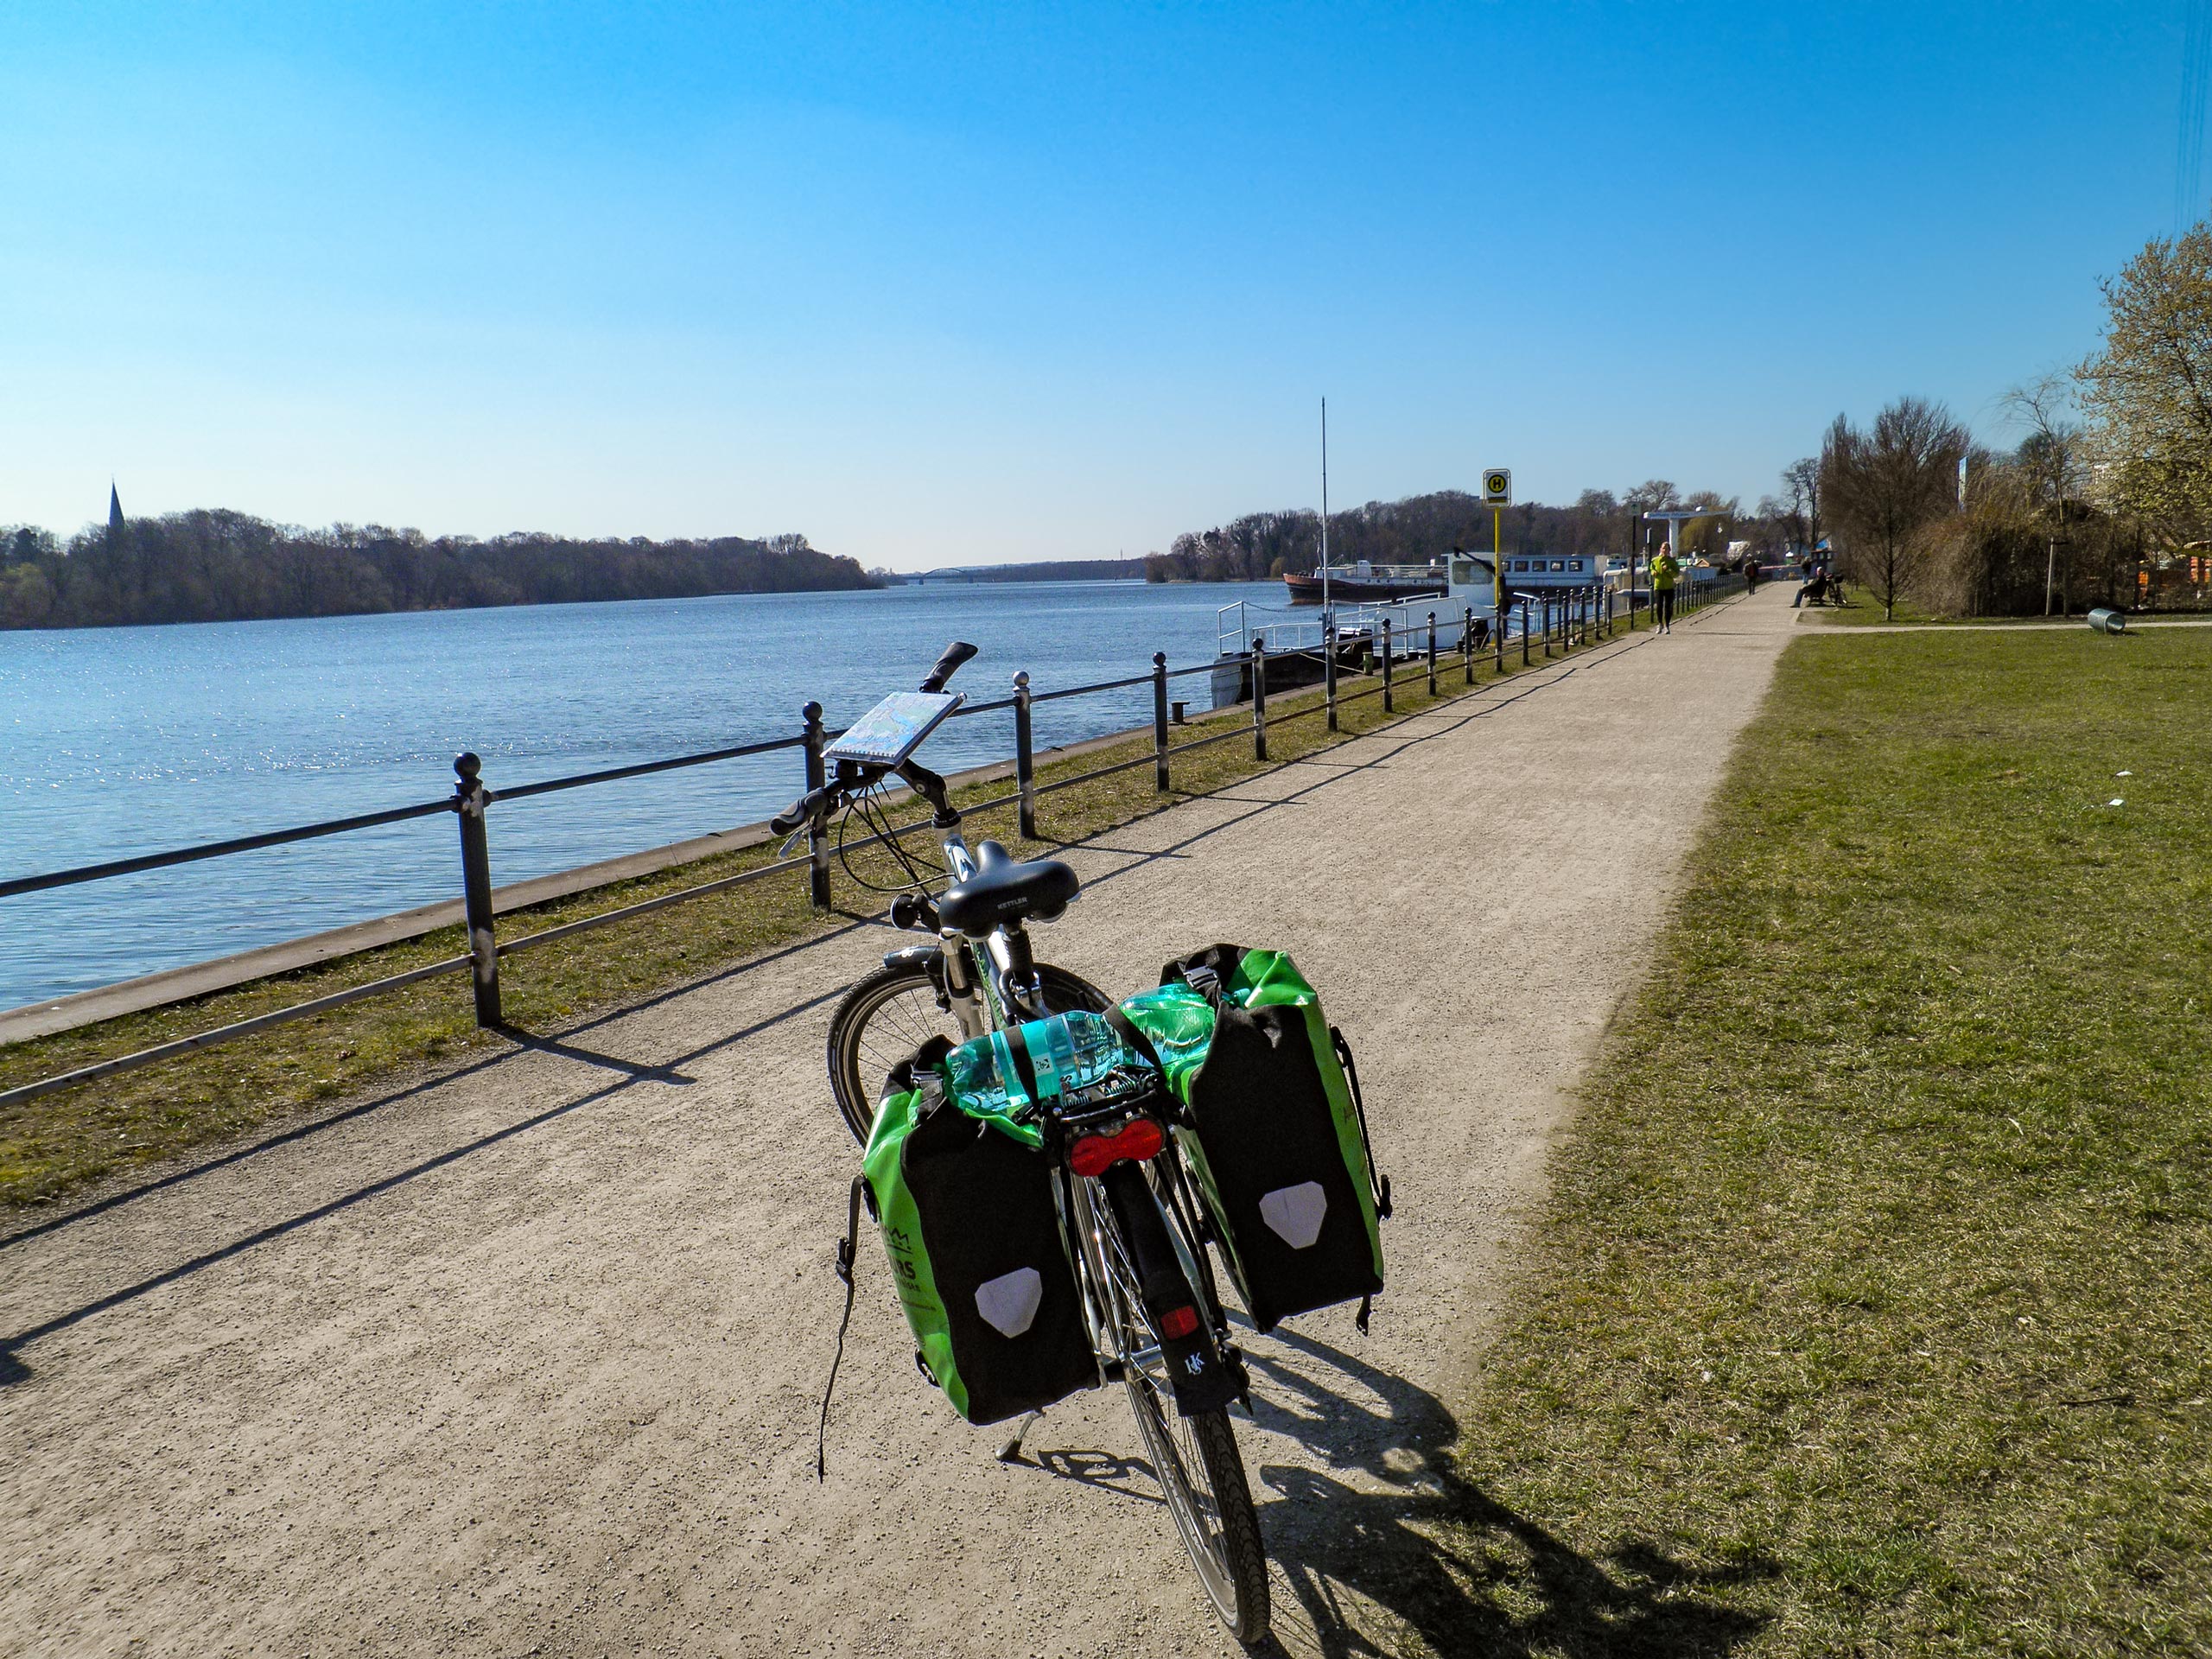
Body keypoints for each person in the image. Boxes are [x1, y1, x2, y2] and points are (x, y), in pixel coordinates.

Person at [1649, 541, 1681, 632]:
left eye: (1666, 549)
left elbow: (1676, 574)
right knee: (1659, 606)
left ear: (1669, 550)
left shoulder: (1672, 561)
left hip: (1669, 587)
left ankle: (1667, 625)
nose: (1664, 550)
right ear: (1660, 549)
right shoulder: (1655, 560)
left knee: (1668, 606)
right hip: (1658, 586)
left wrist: (1668, 570)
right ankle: (1660, 624)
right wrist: (1653, 572)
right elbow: (1651, 568)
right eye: (1663, 548)